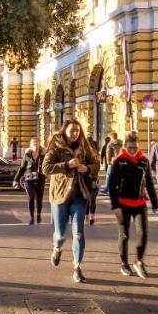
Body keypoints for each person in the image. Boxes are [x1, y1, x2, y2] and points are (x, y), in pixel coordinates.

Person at [43, 118, 99, 283]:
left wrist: (87, 168)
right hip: (60, 196)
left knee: (79, 233)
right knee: (60, 234)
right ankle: (57, 247)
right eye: (72, 130)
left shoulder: (84, 147)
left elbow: (96, 163)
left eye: (77, 130)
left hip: (80, 196)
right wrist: (67, 165)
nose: (75, 133)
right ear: (64, 131)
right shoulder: (56, 147)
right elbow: (45, 168)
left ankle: (77, 267)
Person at [105, 131, 158, 278]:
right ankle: (124, 264)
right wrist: (115, 204)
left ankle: (139, 261)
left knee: (143, 233)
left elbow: (149, 183)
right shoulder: (119, 161)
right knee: (124, 235)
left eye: (134, 148)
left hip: (139, 202)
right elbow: (111, 186)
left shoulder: (144, 161)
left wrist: (155, 202)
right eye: (129, 148)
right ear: (125, 147)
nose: (132, 150)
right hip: (122, 204)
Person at [12, 138, 45, 225]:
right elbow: (22, 167)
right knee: (31, 198)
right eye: (34, 143)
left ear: (39, 144)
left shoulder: (43, 155)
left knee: (39, 199)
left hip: (40, 179)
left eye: (37, 142)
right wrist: (16, 179)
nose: (36, 144)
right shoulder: (27, 155)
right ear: (31, 145)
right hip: (29, 179)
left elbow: (47, 166)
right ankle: (31, 217)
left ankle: (38, 215)